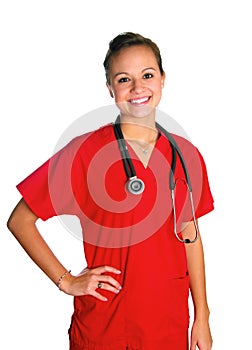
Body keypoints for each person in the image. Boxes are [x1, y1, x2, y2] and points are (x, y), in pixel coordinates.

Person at [7, 32, 214, 350]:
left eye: (147, 75)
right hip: (105, 325)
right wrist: (67, 281)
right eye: (123, 79)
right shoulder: (85, 152)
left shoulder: (187, 155)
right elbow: (20, 220)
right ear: (110, 89)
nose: (138, 88)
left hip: (167, 325)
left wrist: (203, 315)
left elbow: (191, 237)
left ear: (162, 79)